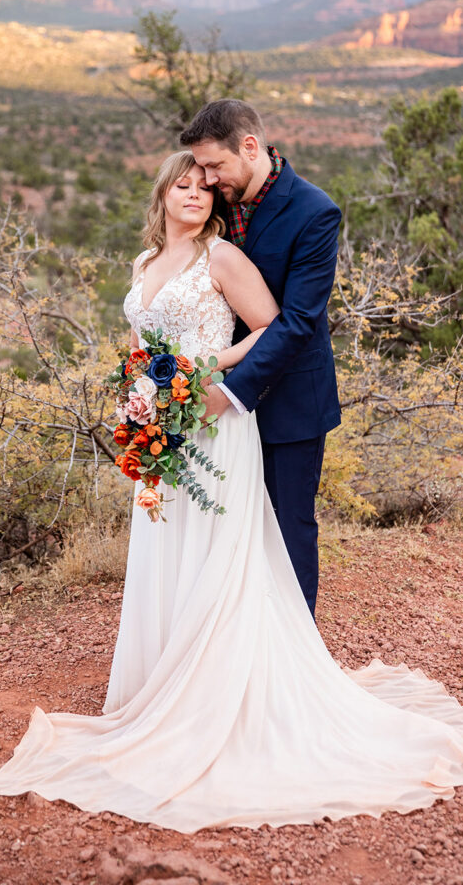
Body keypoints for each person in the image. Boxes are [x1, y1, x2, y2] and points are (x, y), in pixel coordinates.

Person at [0, 148, 463, 832]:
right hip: (166, 424)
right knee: (168, 543)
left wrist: (200, 371)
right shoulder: (143, 266)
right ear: (163, 195)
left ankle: (223, 695)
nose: (196, 193)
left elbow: (265, 325)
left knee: (222, 552)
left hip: (217, 419)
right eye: (183, 184)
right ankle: (163, 681)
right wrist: (144, 393)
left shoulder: (222, 258)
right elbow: (144, 348)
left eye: (205, 185)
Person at [180, 99, 341, 616]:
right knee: (229, 527)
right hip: (213, 404)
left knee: (287, 523)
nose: (205, 179)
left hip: (290, 398)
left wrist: (227, 390)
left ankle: (298, 655)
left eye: (214, 165)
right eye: (200, 167)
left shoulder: (315, 212)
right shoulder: (218, 199)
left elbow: (297, 321)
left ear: (250, 147)